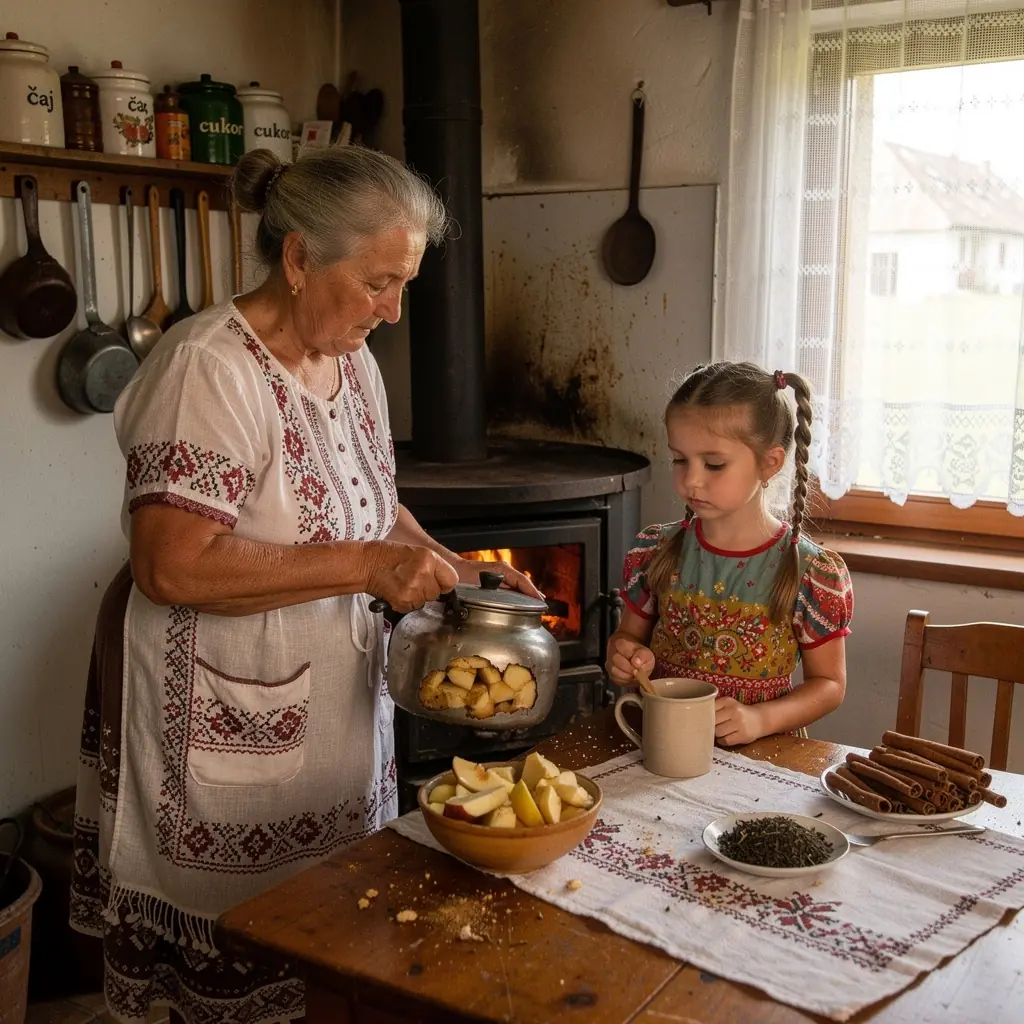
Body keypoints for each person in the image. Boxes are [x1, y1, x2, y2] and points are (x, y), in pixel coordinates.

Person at [70, 145, 539, 1024]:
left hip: (331, 715)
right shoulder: (206, 368)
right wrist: (367, 567)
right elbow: (170, 564)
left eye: (405, 284)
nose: (393, 311)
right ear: (297, 259)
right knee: (241, 961)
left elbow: (373, 502)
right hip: (219, 721)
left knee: (326, 956)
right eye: (376, 282)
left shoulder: (352, 363)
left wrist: (447, 560)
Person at [605, 361, 853, 746]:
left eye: (714, 464)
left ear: (769, 463)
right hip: (660, 747)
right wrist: (624, 656)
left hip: (761, 758)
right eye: (680, 459)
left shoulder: (809, 571)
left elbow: (829, 685)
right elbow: (626, 638)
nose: (691, 480)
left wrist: (758, 719)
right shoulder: (655, 552)